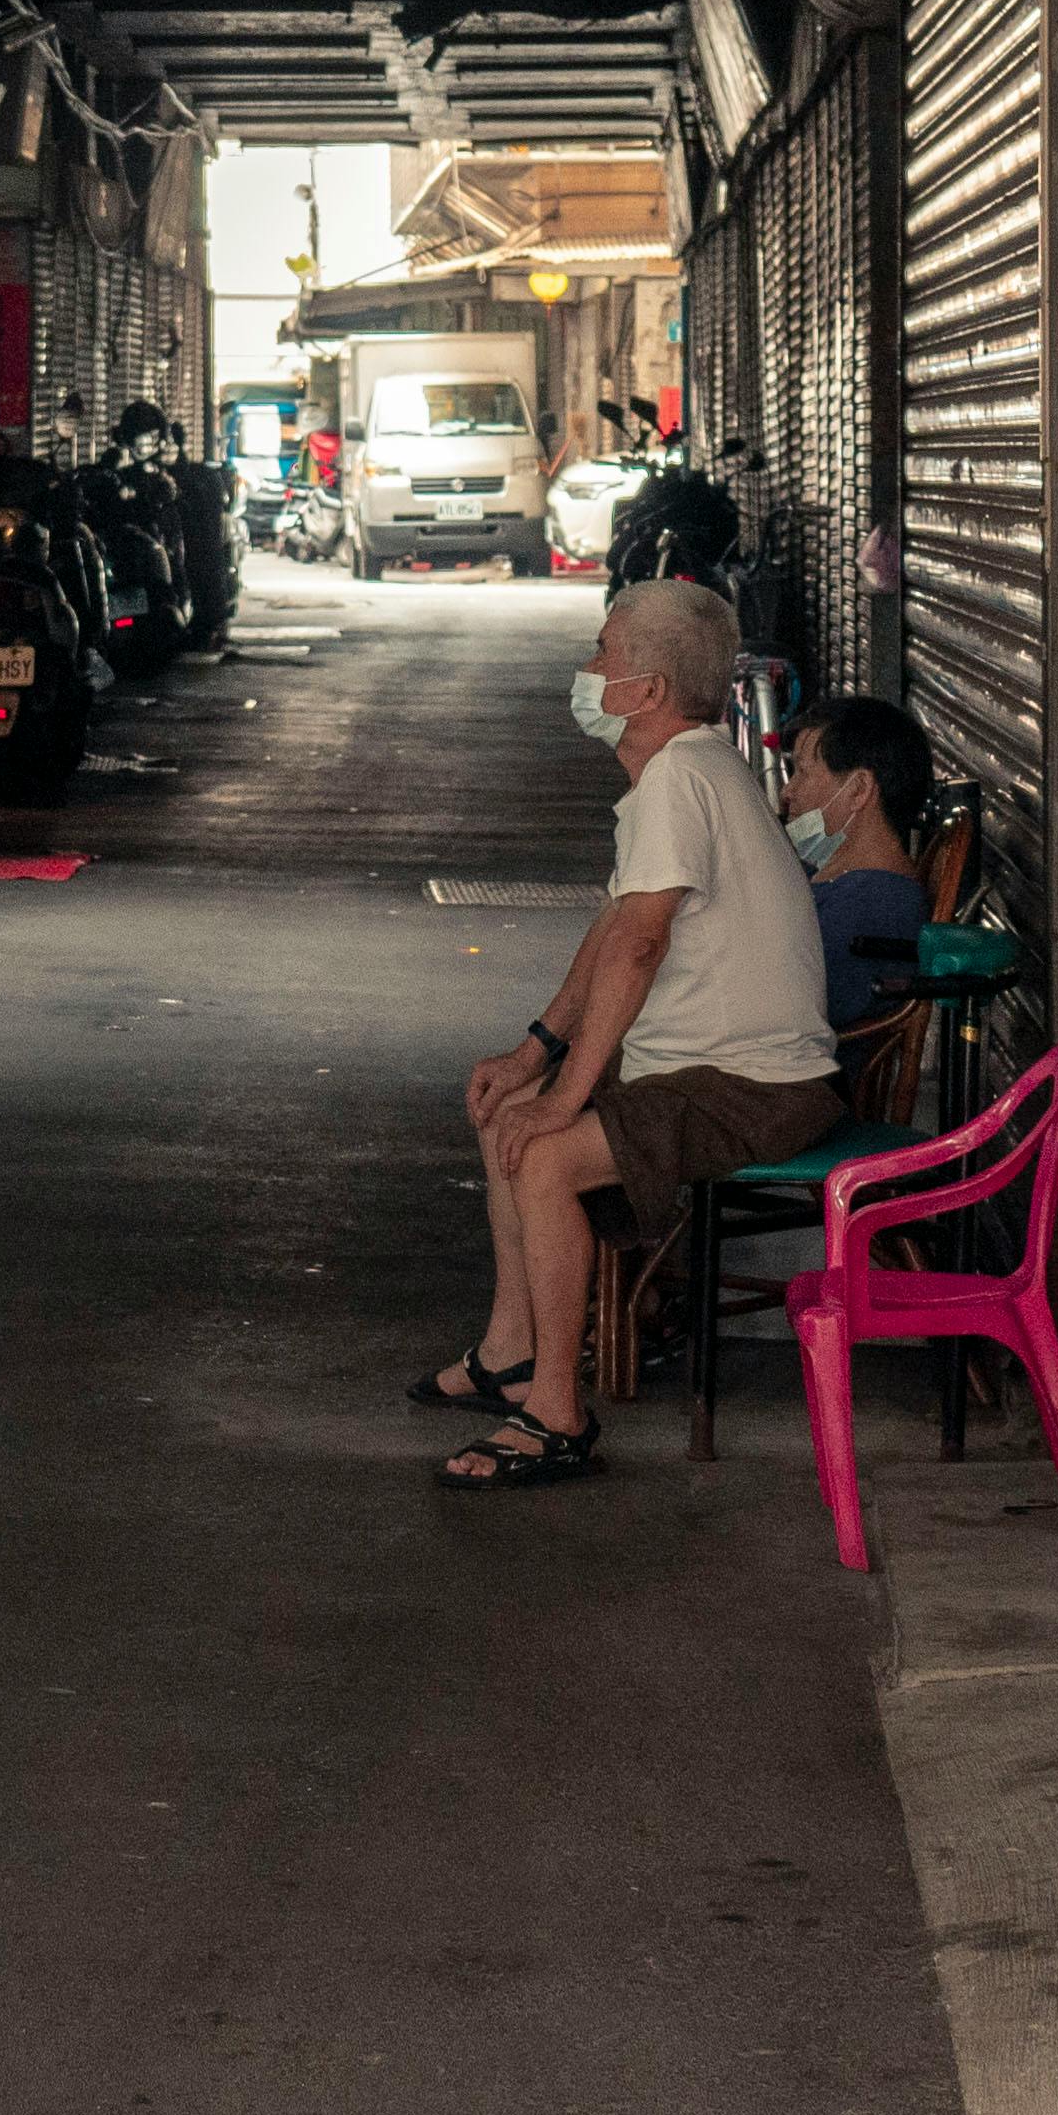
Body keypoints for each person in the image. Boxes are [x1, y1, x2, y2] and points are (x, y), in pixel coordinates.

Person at [416, 577, 843, 1488]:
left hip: (754, 1088)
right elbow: (616, 928)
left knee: (545, 1151)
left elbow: (641, 946)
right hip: (711, 1074)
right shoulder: (687, 769)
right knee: (511, 1111)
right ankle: (513, 1352)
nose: (587, 670)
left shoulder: (682, 778)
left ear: (644, 692)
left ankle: (557, 1417)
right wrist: (537, 1054)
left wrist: (570, 1095)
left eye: (602, 655)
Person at [785, 695, 934, 1030]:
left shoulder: (877, 904)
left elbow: (786, 1014)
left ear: (858, 790)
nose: (787, 790)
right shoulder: (838, 879)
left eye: (802, 773)